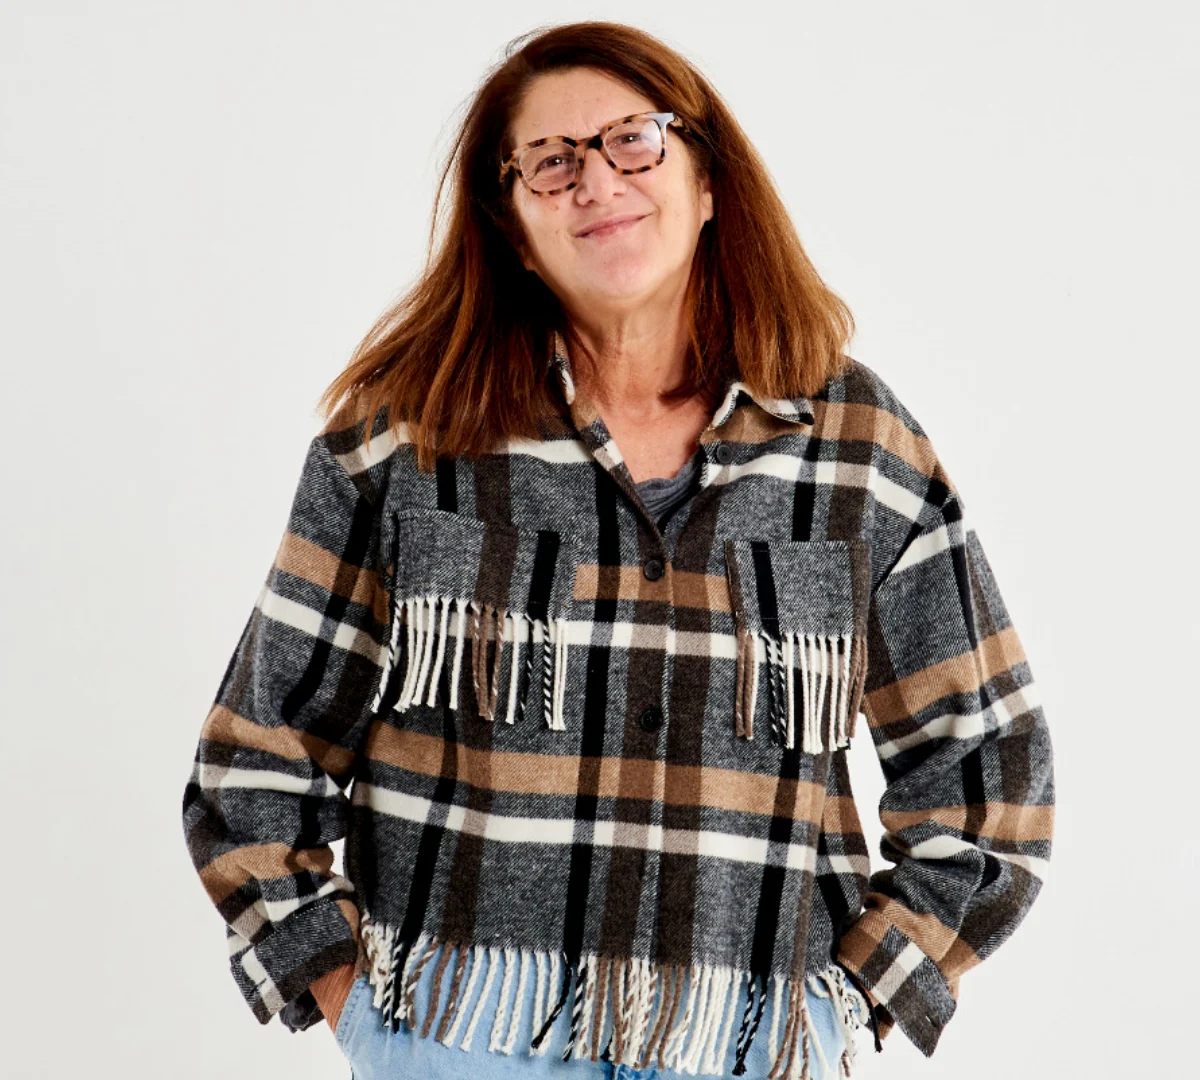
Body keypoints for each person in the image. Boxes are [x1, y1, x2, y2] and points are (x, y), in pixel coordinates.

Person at [181, 20, 1055, 1080]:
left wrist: (853, 999)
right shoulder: (405, 442)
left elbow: (987, 769)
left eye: (633, 141)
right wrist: (348, 998)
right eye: (550, 162)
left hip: (749, 1048)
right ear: (511, 223)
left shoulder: (858, 449)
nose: (596, 181)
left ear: (707, 181)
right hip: (461, 1041)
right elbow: (257, 754)